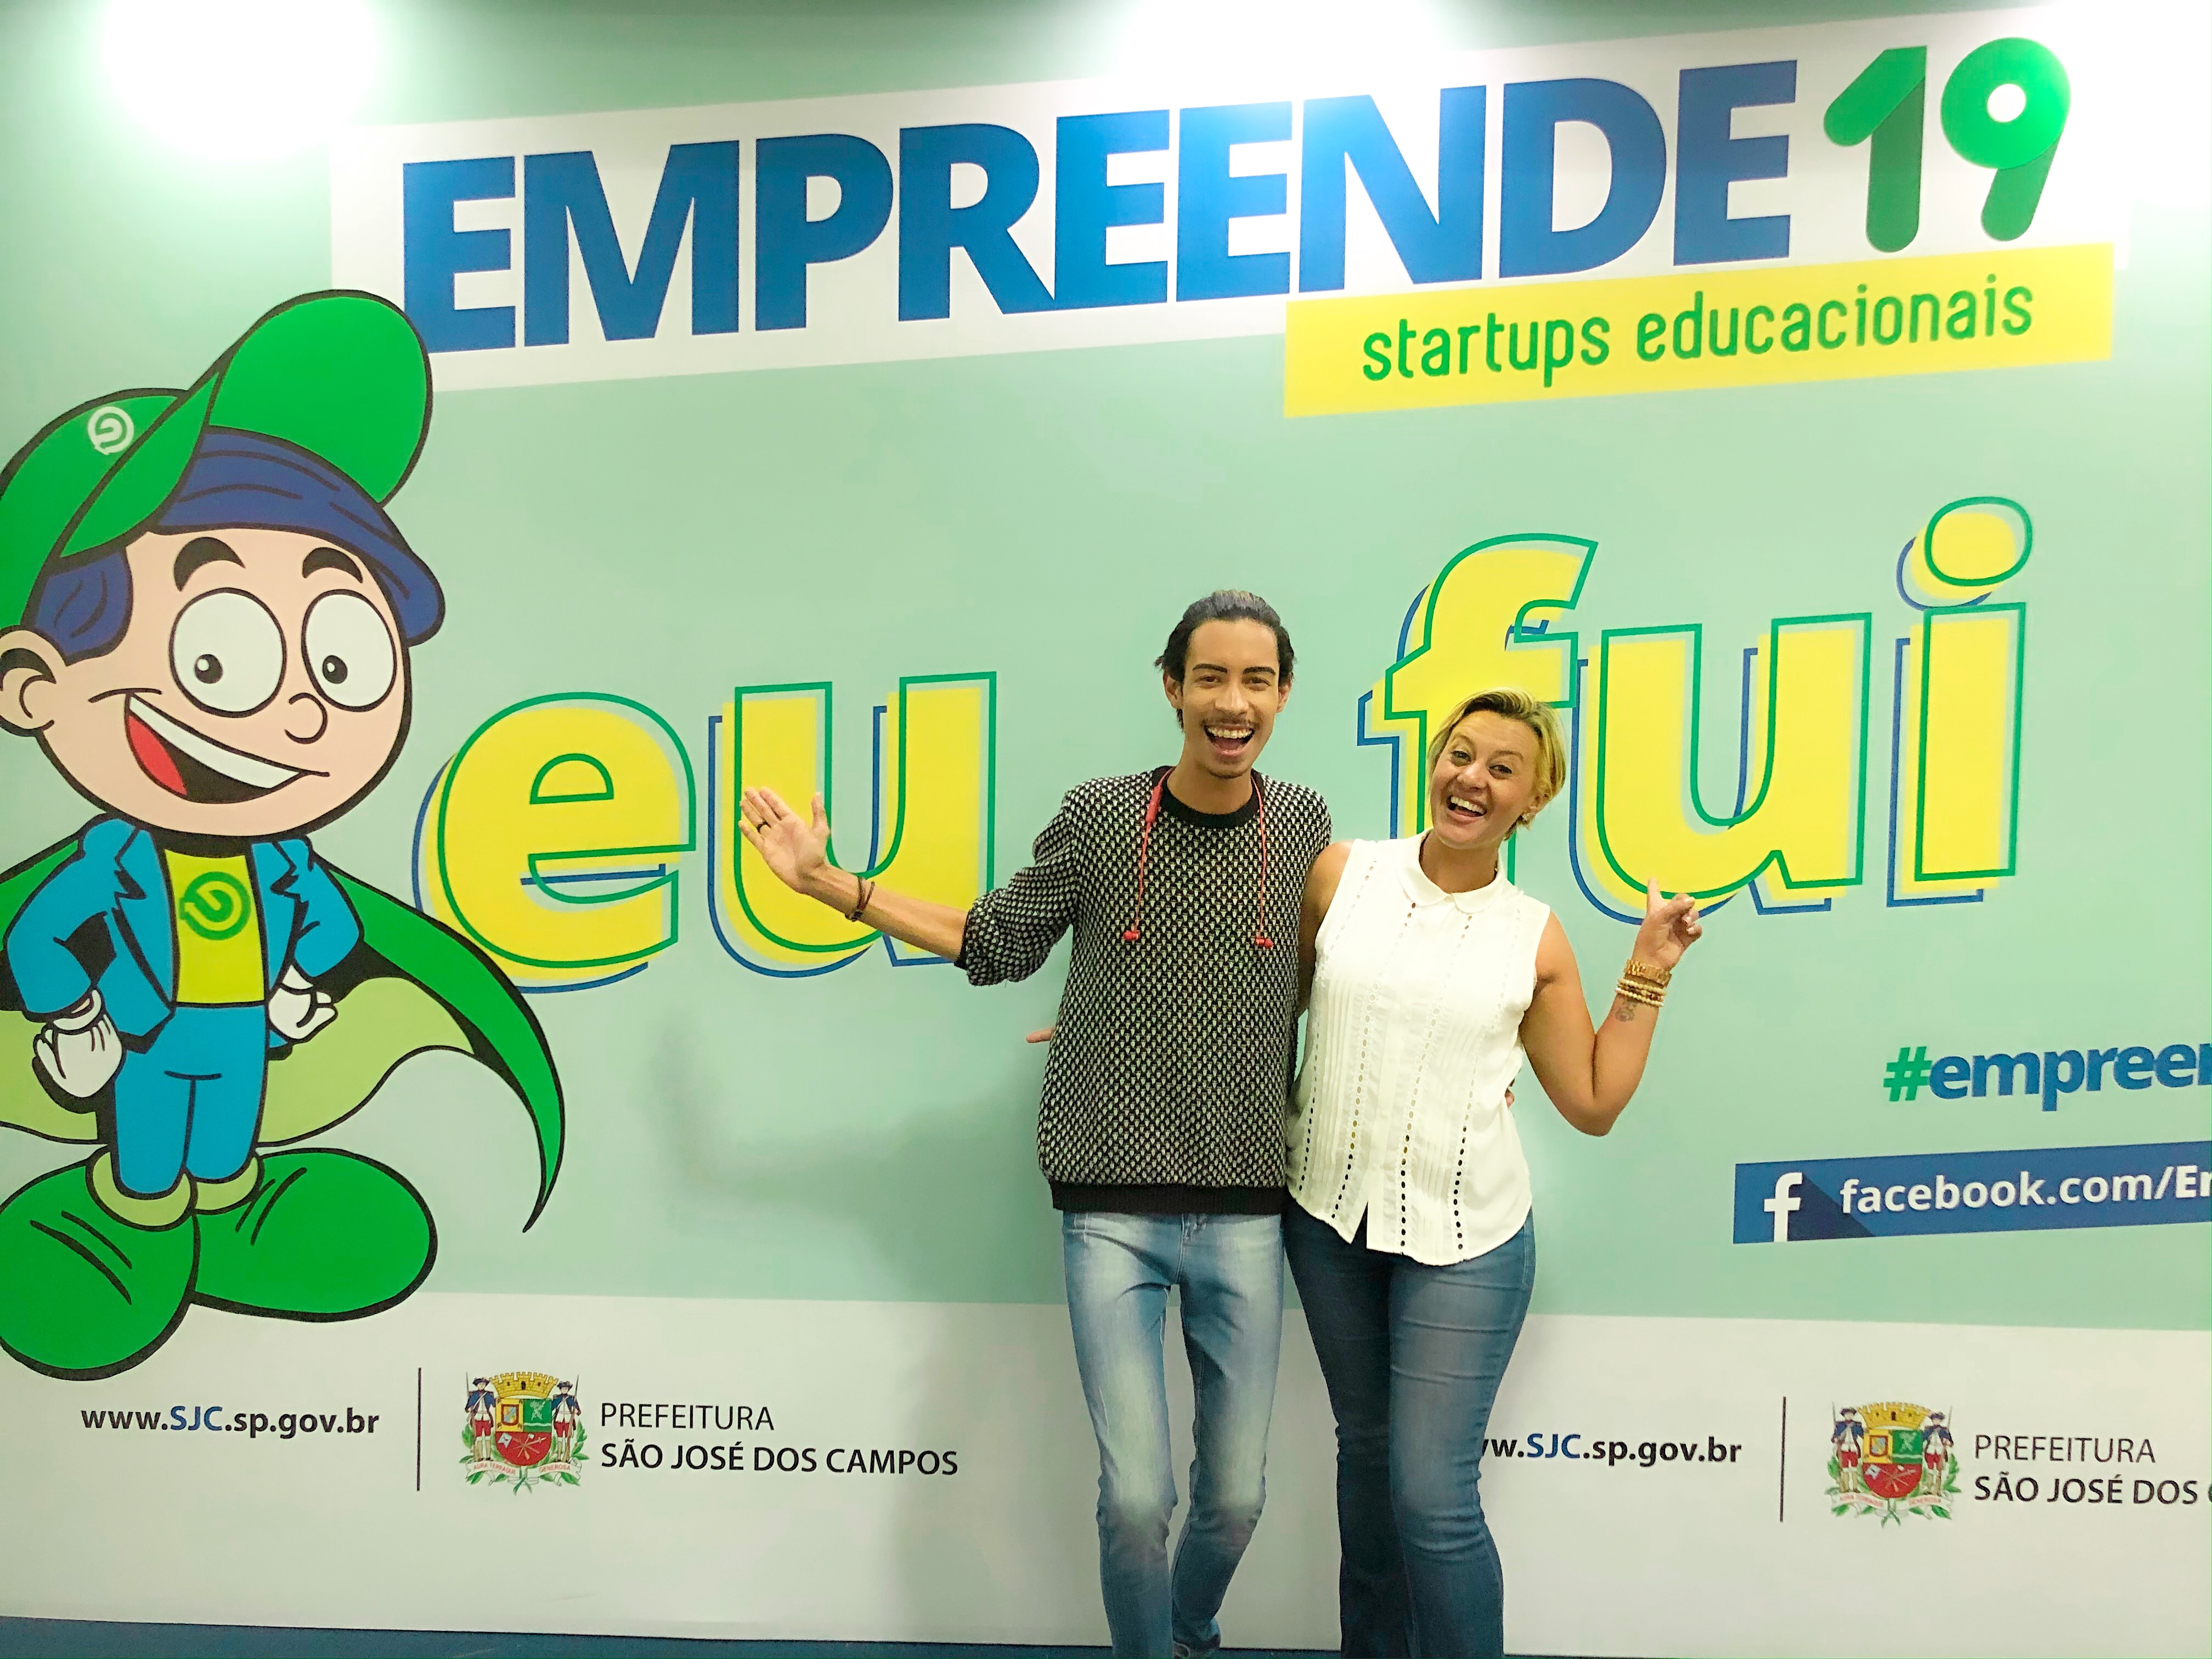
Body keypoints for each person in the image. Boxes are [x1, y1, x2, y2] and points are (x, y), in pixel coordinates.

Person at [740, 590, 1332, 1659]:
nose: (1233, 702)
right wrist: (831, 884)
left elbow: (1334, 976)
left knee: (1236, 1499)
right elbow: (999, 940)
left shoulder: (1304, 827)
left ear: (1285, 694)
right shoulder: (1101, 817)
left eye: (1256, 680)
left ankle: (1188, 1629)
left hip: (1248, 1207)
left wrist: (1467, 1065)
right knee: (1136, 1499)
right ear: (1173, 687)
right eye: (1210, 677)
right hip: (1110, 1209)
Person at [0, 292, 562, 1382]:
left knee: (226, 1140)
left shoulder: (285, 863)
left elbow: (327, 921)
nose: (303, 712)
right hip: (147, 1037)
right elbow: (39, 939)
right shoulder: (109, 865)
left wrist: (303, 982)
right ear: (36, 685)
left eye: (341, 657)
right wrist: (77, 1014)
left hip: (245, 1034)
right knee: (150, 1145)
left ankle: (230, 1206)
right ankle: (126, 1217)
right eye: (221, 657)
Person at [1285, 686, 1702, 1659]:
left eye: (1502, 769)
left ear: (1532, 800)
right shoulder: (1341, 874)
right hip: (1325, 1221)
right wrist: (1124, 1025)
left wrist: (1650, 967)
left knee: (1432, 1497)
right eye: (1461, 754)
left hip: (1468, 1241)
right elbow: (1267, 1007)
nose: (1472, 778)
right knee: (1367, 1467)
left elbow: (1592, 1101)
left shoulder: (1533, 936)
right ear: (1434, 762)